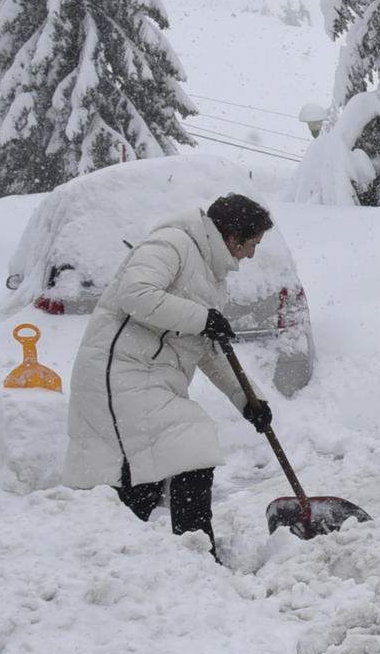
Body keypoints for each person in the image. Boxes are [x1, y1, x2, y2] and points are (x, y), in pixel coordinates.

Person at [62, 194, 277, 555]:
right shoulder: (173, 242)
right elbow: (135, 294)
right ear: (232, 236)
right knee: (187, 447)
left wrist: (250, 400)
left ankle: (137, 556)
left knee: (147, 474)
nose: (252, 254)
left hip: (150, 379)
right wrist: (202, 318)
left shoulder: (212, 277)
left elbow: (208, 349)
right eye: (253, 243)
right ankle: (194, 553)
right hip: (117, 371)